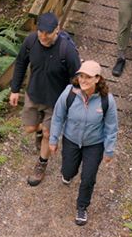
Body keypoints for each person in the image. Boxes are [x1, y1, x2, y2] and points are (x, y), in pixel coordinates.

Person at [9, 11, 80, 186]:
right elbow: (20, 63)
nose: (43, 36)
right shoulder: (31, 41)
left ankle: (41, 164)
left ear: (57, 29)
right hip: (34, 94)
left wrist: (73, 103)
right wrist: (15, 89)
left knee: (49, 133)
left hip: (56, 101)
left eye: (47, 33)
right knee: (29, 128)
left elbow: (77, 79)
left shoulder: (67, 50)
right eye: (40, 32)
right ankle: (40, 130)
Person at [49, 60, 118, 226]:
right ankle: (68, 175)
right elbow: (58, 117)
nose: (83, 80)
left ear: (97, 79)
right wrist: (53, 139)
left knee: (88, 177)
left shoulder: (106, 100)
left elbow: (111, 126)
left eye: (88, 77)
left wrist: (109, 150)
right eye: (81, 76)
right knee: (68, 170)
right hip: (71, 140)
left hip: (94, 144)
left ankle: (82, 207)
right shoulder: (69, 94)